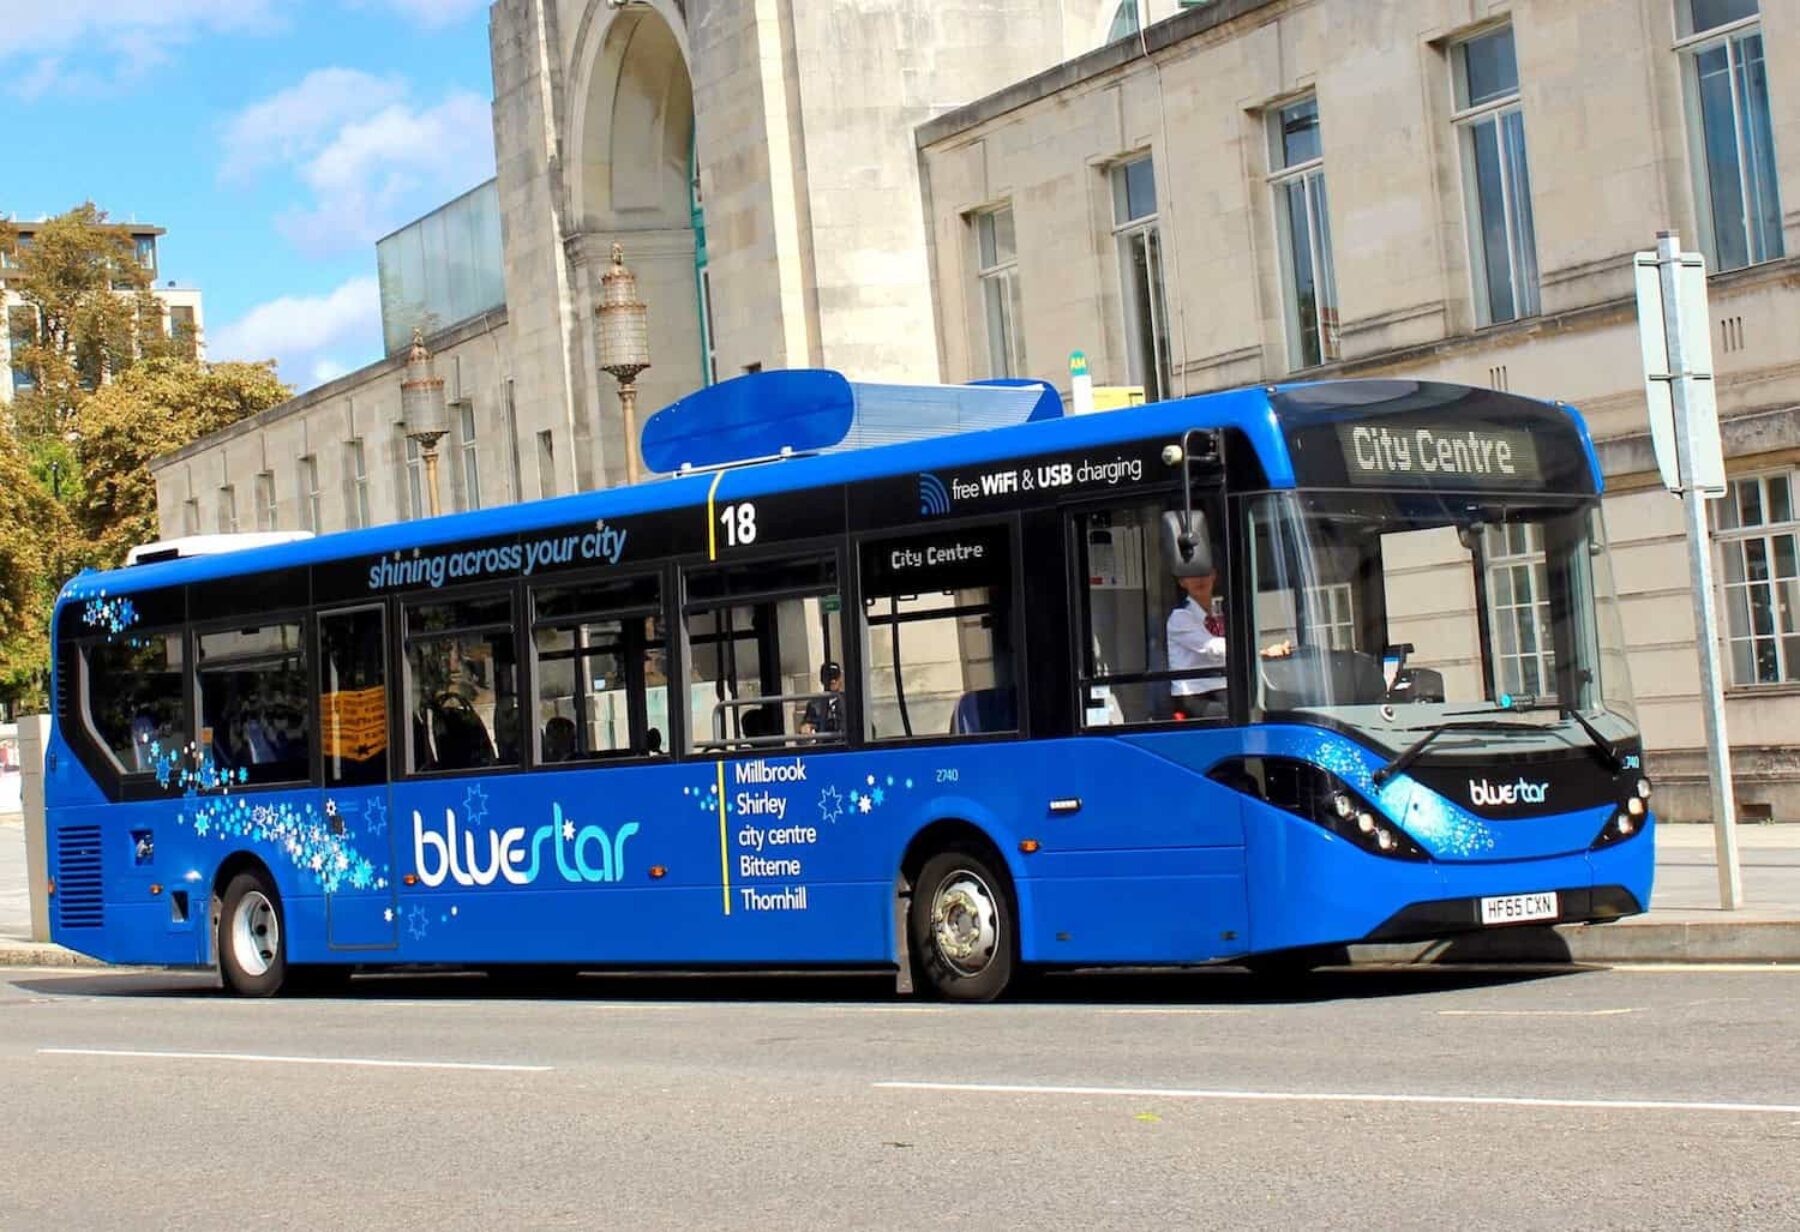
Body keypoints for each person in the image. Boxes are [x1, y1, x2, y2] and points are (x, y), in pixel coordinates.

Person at [1166, 562, 1291, 716]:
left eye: (1204, 573)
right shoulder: (1180, 616)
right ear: (1182, 582)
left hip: (1223, 686)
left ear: (1213, 575)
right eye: (1192, 576)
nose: (1199, 580)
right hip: (1194, 694)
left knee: (1278, 705)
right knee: (1245, 715)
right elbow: (1213, 647)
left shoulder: (1220, 611)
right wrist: (1261, 651)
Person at [800, 662, 844, 736]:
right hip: (826, 743)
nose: (833, 681)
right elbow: (806, 724)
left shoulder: (849, 700)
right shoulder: (814, 704)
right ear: (822, 680)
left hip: (847, 743)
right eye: (829, 678)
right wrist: (806, 728)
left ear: (840, 678)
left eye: (835, 677)